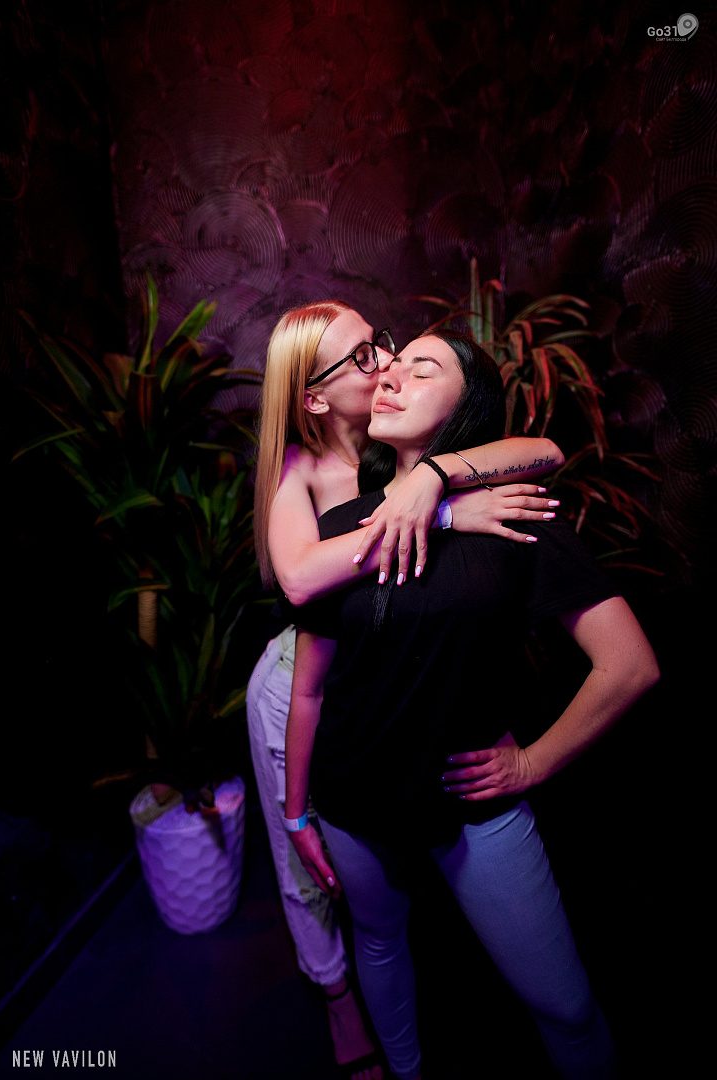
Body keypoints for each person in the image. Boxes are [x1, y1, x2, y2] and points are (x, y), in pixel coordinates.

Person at [283, 328, 660, 1080]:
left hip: (472, 806)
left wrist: (532, 764)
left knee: (567, 1008)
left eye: (421, 370)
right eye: (391, 366)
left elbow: (629, 665)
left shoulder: (515, 514)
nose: (390, 377)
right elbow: (310, 687)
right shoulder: (339, 527)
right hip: (353, 796)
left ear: (466, 409)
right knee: (380, 942)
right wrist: (297, 813)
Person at [247, 302, 565, 1080]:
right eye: (363, 357)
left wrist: (433, 477)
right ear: (314, 396)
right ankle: (336, 1000)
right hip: (297, 682)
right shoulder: (301, 467)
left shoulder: (396, 441)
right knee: (308, 871)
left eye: (381, 344)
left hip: (373, 677)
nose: (385, 362)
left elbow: (545, 450)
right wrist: (444, 511)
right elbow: (300, 578)